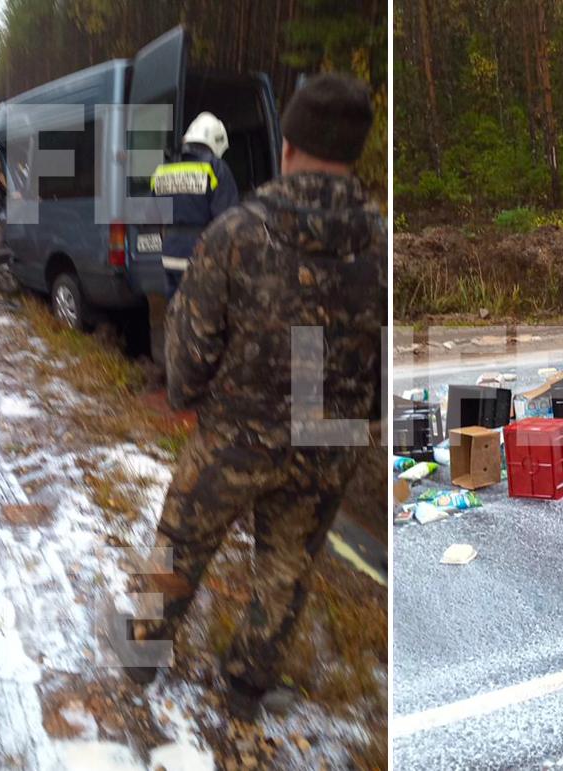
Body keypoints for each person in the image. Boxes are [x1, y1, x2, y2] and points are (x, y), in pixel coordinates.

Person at [115, 74, 384, 715]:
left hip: (238, 431)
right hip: (331, 436)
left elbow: (193, 349)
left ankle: (144, 653)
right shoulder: (380, 240)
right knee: (287, 566)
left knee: (179, 544)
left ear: (287, 143)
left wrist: (187, 391)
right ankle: (244, 685)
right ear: (354, 153)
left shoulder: (238, 232)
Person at [144, 112, 240, 371]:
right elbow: (229, 220)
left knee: (176, 316)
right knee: (204, 322)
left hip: (170, 255)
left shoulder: (162, 171)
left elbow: (150, 217)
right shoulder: (215, 169)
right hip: (201, 258)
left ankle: (175, 370)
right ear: (214, 141)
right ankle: (199, 376)